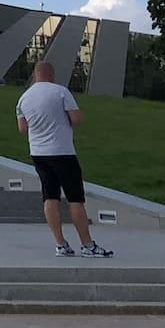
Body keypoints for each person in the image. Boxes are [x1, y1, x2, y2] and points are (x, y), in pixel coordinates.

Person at [15, 60, 113, 258]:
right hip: (62, 152)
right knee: (75, 198)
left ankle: (60, 243)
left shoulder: (23, 99)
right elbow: (76, 119)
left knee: (50, 196)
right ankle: (87, 245)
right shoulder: (60, 92)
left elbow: (22, 129)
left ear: (35, 75)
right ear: (51, 75)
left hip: (38, 153)